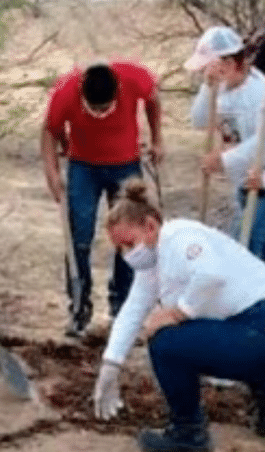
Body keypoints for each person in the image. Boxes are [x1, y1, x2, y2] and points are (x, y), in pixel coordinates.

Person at [91, 178, 265, 452]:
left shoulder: (178, 236)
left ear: (150, 226)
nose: (127, 254)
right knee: (208, 330)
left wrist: (178, 312)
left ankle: (188, 431)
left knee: (167, 342)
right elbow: (132, 311)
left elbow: (210, 274)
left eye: (129, 243)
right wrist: (111, 365)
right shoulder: (154, 264)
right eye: (121, 249)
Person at [41, 59, 163, 337]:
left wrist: (158, 139)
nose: (99, 114)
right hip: (83, 167)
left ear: (117, 92)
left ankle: (123, 309)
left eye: (104, 108)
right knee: (79, 236)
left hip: (125, 165)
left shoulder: (132, 77)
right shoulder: (65, 91)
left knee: (129, 235)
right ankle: (79, 308)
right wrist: (52, 173)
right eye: (93, 108)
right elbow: (49, 129)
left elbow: (153, 98)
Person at [188, 25, 265, 275]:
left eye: (209, 66)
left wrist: (225, 160)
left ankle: (259, 297)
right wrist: (207, 87)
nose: (206, 71)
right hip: (245, 178)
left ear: (228, 63)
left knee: (246, 244)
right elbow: (200, 120)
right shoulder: (222, 90)